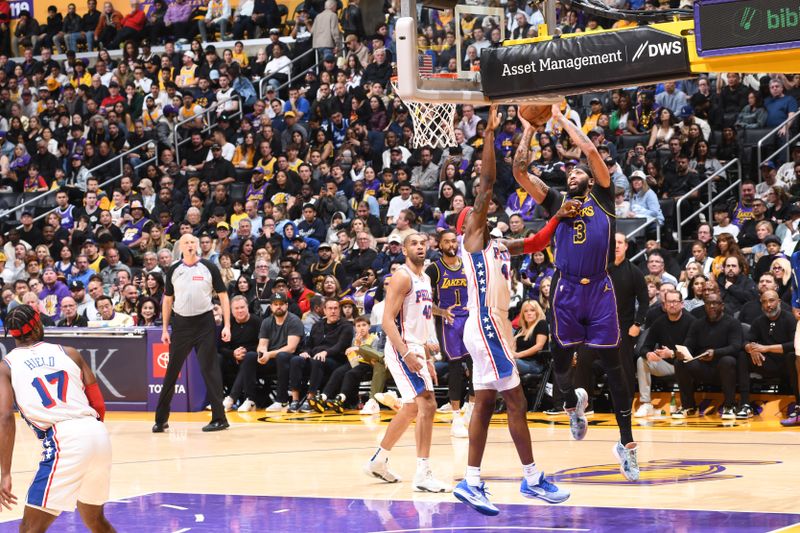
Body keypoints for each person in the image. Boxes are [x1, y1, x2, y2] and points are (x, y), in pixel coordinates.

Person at [453, 105, 572, 516]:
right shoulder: (473, 240)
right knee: (517, 400)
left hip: (494, 327)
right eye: (476, 215)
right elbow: (485, 186)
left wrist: (557, 216)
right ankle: (533, 478)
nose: (483, 213)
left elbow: (537, 243)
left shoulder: (498, 246)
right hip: (486, 324)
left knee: (486, 402)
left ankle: (471, 481)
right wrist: (488, 134)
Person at [513, 103, 640, 481]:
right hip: (566, 289)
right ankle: (572, 403)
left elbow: (588, 150)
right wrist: (528, 128)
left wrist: (561, 119)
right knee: (559, 356)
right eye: (568, 173)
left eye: (577, 172)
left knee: (614, 368)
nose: (572, 174)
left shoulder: (604, 196)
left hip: (600, 289)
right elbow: (520, 172)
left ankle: (627, 444)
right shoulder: (557, 203)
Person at [0, 305, 114, 532]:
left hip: (64, 439)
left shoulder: (6, 366)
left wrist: (4, 473)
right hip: (97, 434)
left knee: (29, 528)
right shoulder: (69, 352)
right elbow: (98, 404)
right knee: (95, 520)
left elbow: (4, 418)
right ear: (38, 325)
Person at [363, 232, 450, 494]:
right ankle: (423, 473)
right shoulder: (402, 276)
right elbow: (388, 320)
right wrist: (406, 353)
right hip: (401, 348)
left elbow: (419, 322)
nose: (420, 247)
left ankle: (378, 461)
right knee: (428, 404)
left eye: (423, 243)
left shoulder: (424, 278)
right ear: (404, 249)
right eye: (414, 243)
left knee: (412, 408)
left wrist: (427, 357)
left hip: (416, 349)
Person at [154, 234, 231, 433]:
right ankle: (161, 419)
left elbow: (223, 296)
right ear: (180, 246)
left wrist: (227, 325)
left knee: (209, 370)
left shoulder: (208, 267)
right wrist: (164, 329)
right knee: (171, 371)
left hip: (204, 323)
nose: (189, 245)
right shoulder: (174, 269)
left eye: (192, 242)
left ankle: (220, 418)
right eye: (186, 242)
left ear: (197, 246)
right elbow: (168, 301)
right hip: (181, 325)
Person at [426, 230, 471, 438]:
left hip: (470, 318)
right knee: (455, 367)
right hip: (449, 321)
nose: (451, 244)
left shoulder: (467, 264)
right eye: (446, 241)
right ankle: (456, 416)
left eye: (454, 240)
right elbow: (424, 299)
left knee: (476, 364)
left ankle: (471, 410)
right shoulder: (434, 269)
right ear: (440, 245)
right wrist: (441, 312)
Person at [673, 292, 742, 419]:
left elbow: (736, 347)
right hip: (702, 366)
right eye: (708, 304)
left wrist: (716, 353)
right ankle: (688, 406)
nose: (711, 306)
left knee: (728, 361)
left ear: (722, 306)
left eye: (715, 303)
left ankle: (729, 405)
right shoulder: (697, 324)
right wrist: (681, 353)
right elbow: (689, 343)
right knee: (680, 363)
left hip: (723, 368)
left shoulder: (732, 323)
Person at [738, 290, 797, 419]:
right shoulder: (759, 321)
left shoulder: (790, 319)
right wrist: (750, 348)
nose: (768, 305)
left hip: (786, 366)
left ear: (779, 302)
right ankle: (745, 404)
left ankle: (798, 404)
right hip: (766, 363)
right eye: (764, 302)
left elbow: (794, 344)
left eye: (771, 300)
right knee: (742, 355)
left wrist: (766, 348)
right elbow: (745, 341)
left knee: (792, 355)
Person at [634, 290, 693, 417]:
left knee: (681, 362)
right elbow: (644, 347)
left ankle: (687, 405)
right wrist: (648, 354)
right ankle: (646, 403)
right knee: (641, 361)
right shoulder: (659, 322)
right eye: (669, 302)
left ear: (682, 304)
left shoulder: (691, 321)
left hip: (686, 365)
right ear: (664, 305)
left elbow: (691, 351)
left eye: (675, 302)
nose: (672, 305)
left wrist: (672, 353)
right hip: (666, 365)